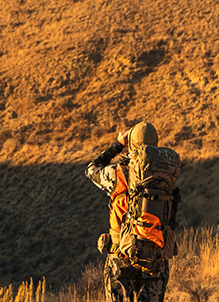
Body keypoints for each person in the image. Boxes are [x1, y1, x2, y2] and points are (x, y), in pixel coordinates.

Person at [86, 122, 172, 302]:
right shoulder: (167, 174)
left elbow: (91, 169)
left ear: (131, 143)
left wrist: (117, 145)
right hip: (156, 258)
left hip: (122, 257)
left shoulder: (118, 173)